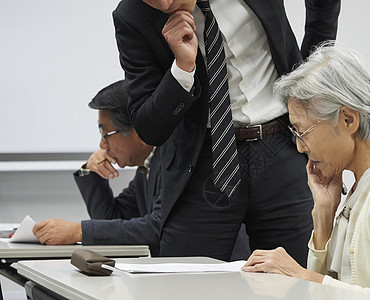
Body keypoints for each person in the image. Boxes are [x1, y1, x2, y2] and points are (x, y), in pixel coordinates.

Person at [112, 0, 341, 264]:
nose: (163, 3)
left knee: (299, 278)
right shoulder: (132, 16)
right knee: (182, 285)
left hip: (280, 147)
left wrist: (310, 78)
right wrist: (182, 70)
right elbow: (149, 129)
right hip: (202, 163)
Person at [241, 43, 370, 299]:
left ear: (348, 120)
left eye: (303, 132)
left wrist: (305, 276)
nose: (299, 147)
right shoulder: (360, 185)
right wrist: (323, 217)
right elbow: (322, 292)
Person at [32, 80, 163, 256]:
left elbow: (158, 227)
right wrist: (91, 171)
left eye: (105, 135)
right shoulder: (146, 168)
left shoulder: (172, 164)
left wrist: (79, 231)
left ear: (138, 129)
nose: (102, 145)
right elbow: (112, 218)